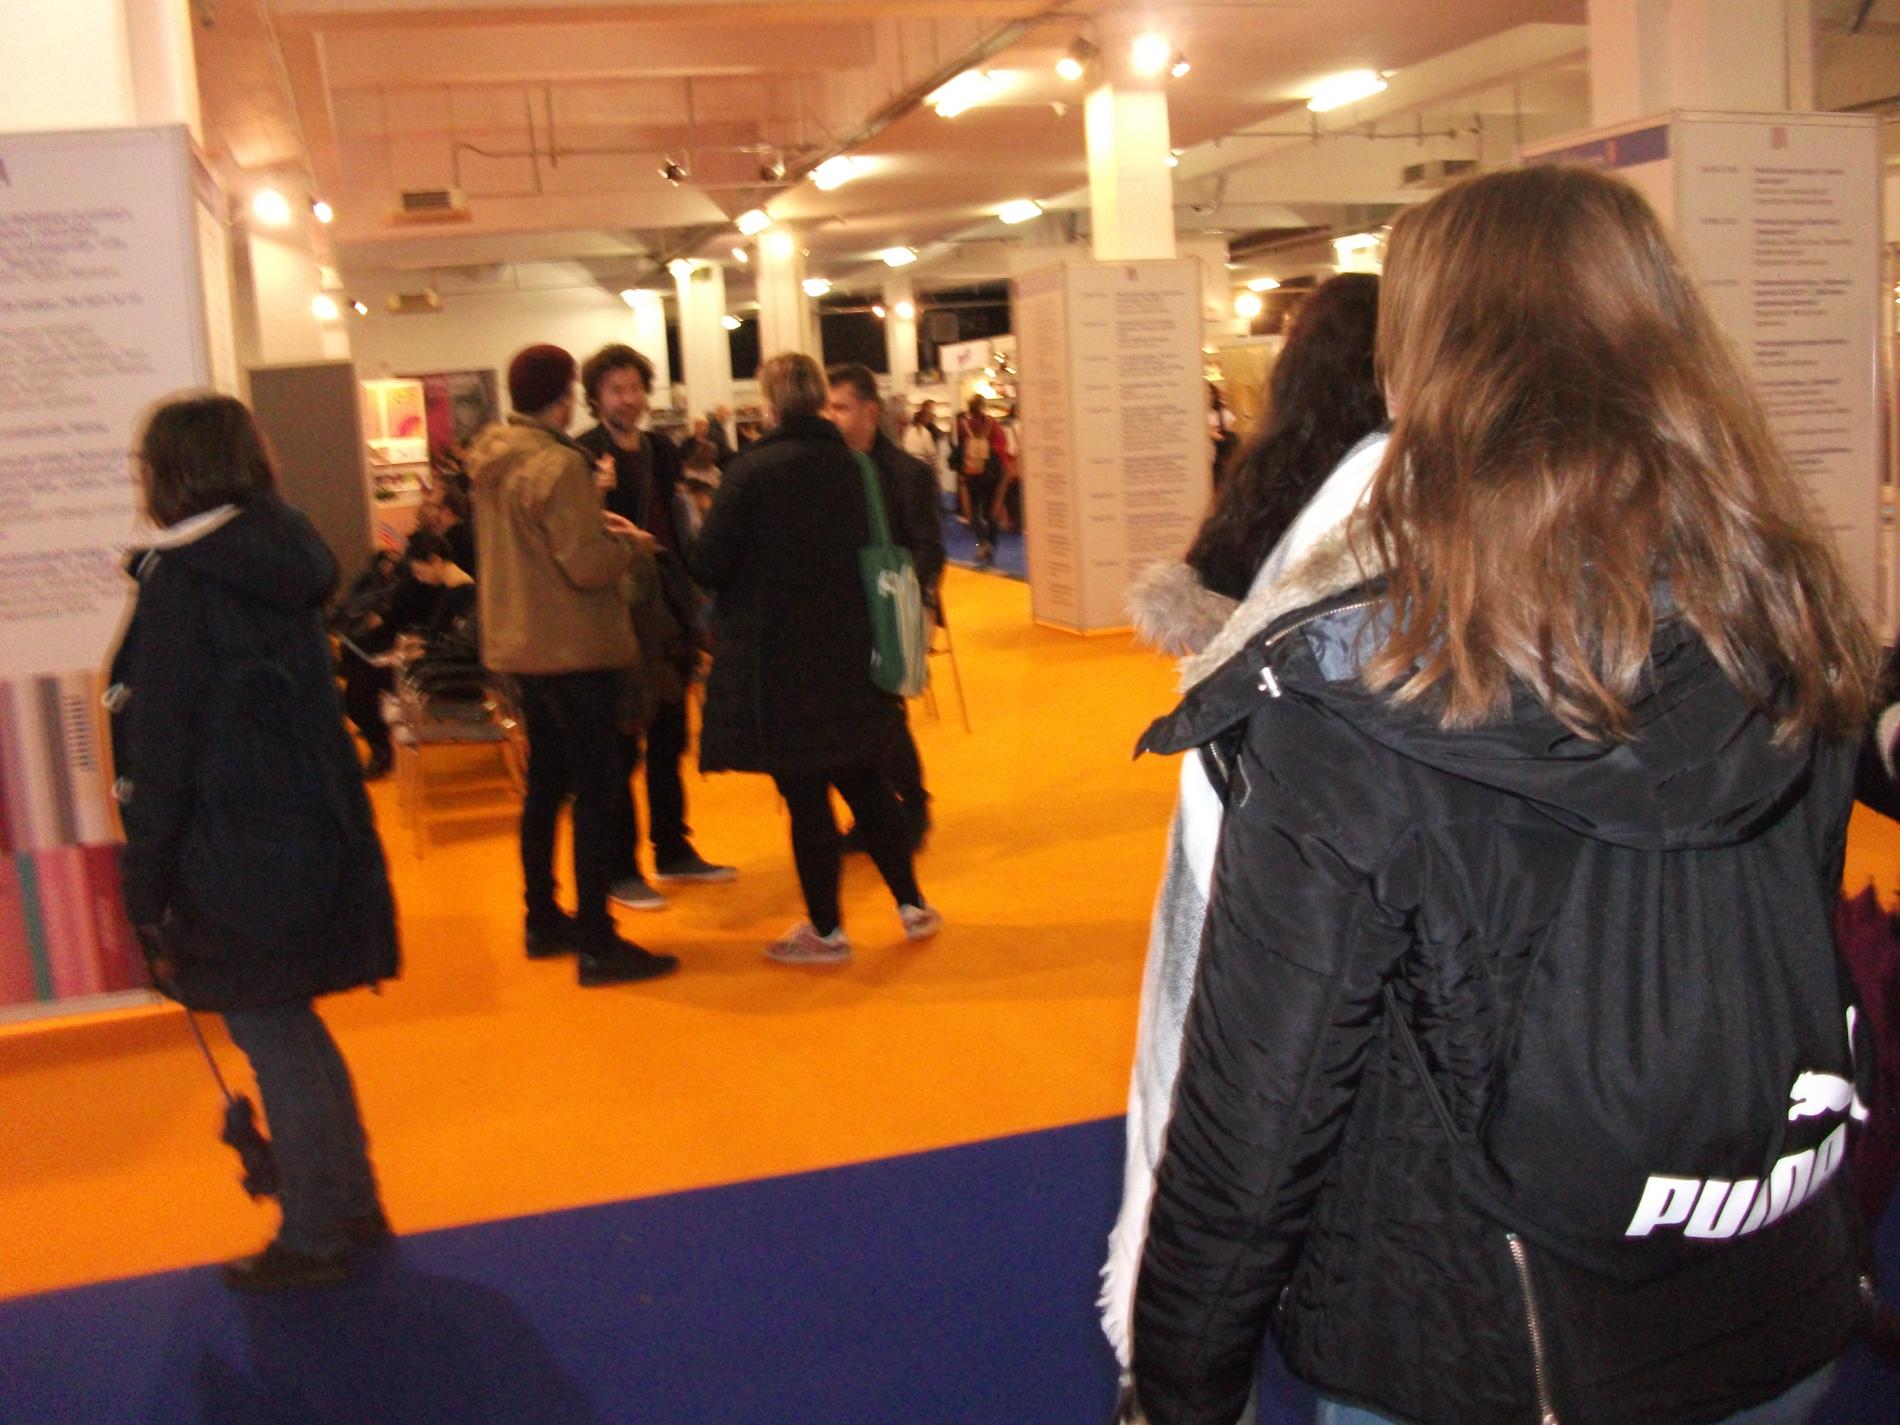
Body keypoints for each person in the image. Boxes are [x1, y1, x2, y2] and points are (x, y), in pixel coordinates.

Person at [1127, 166, 1875, 1425]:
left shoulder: (1360, 701)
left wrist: (1178, 1391)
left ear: (1420, 372)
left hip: (1481, 1344)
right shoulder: (1789, 624)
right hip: (1774, 1293)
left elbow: (1257, 1108)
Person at [1101, 273, 1385, 1377]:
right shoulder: (1402, 486)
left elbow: (1208, 616)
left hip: (1253, 794)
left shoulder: (1273, 474)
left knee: (1249, 1050)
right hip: (1355, 802)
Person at [109, 394, 400, 1292]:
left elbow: (162, 748)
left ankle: (314, 1233)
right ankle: (348, 1200)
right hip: (301, 829)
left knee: (273, 1032)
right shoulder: (273, 553)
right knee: (290, 1025)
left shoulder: (189, 581)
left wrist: (145, 880)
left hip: (231, 846)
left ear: (173, 471)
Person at [689, 353, 942, 965]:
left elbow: (710, 565)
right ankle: (911, 905)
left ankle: (827, 932)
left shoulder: (751, 471)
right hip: (855, 650)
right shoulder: (858, 468)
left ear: (770, 404)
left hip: (781, 658)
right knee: (865, 779)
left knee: (806, 796)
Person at [467, 343, 679, 987]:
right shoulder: (558, 464)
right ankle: (596, 940)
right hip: (573, 646)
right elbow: (585, 566)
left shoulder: (492, 457)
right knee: (597, 790)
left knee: (545, 786)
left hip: (522, 645)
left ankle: (542, 918)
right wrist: (632, 547)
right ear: (564, 397)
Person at [574, 343, 736, 907]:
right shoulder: (583, 454)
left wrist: (694, 593)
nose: (629, 399)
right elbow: (579, 541)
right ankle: (620, 869)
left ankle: (673, 849)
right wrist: (594, 495)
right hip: (617, 611)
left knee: (670, 735)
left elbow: (678, 525)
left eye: (636, 388)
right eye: (616, 389)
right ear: (596, 397)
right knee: (622, 744)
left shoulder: (660, 449)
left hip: (666, 605)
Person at [825, 363, 946, 848]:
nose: (831, 417)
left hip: (890, 614)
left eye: (840, 407)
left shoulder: (906, 474)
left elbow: (928, 548)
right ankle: (873, 814)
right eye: (826, 408)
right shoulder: (825, 473)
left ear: (870, 411)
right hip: (841, 616)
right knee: (851, 721)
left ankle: (913, 807)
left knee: (884, 716)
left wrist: (901, 599)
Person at [954, 395, 1004, 564]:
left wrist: (961, 471)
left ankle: (981, 542)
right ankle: (991, 546)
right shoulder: (992, 423)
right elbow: (1000, 447)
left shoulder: (963, 425)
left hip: (972, 475)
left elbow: (959, 449)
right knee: (992, 513)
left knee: (973, 513)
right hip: (991, 474)